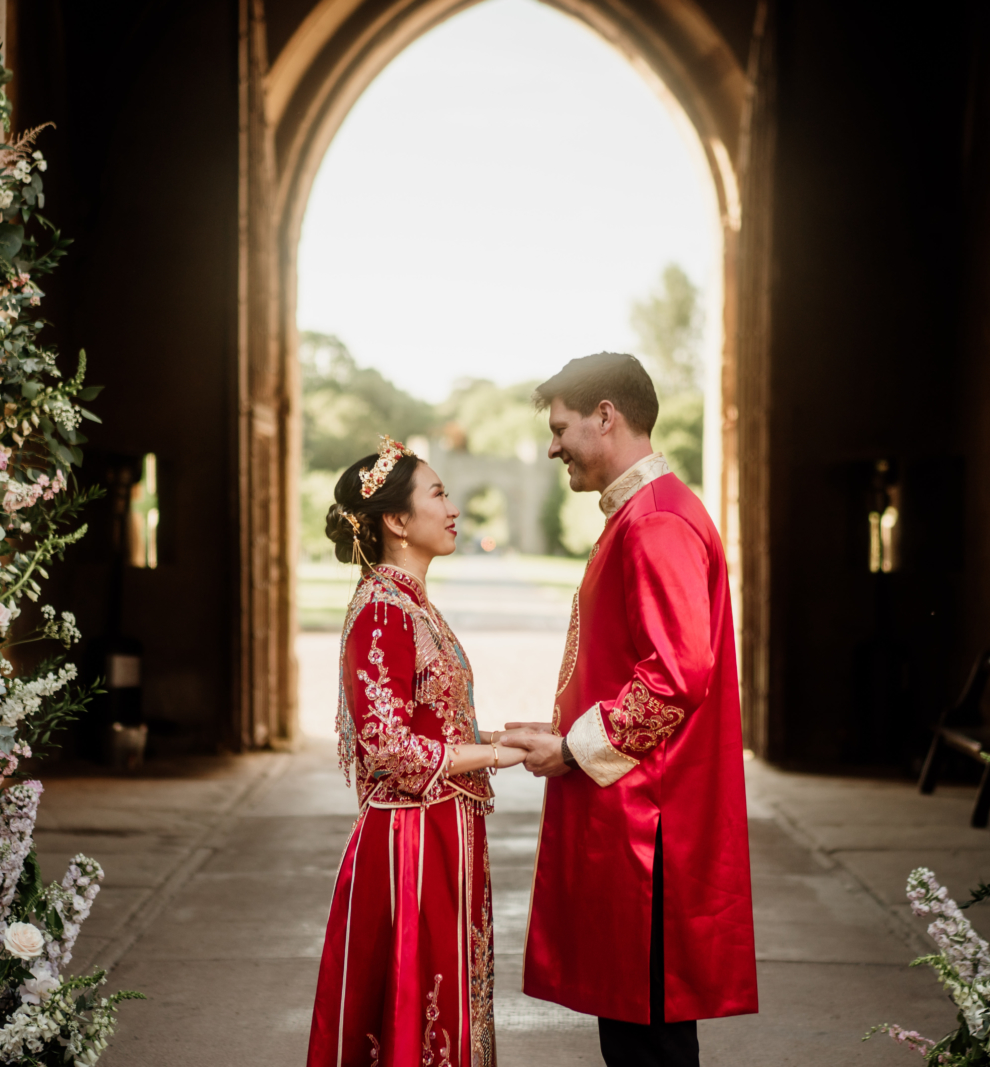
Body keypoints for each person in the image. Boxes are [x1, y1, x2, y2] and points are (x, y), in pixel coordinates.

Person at [500, 353, 757, 1067]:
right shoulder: (648, 511)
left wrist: (573, 749)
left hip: (652, 831)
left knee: (650, 1037)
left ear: (606, 416)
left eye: (561, 428)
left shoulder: (656, 521)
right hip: (642, 813)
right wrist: (561, 731)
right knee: (638, 1028)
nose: (552, 446)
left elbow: (676, 675)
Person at [306, 436, 526, 1067]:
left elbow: (436, 726)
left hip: (440, 836)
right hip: (410, 847)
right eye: (439, 494)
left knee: (453, 1003)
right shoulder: (383, 611)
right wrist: (491, 757)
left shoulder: (411, 605)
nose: (453, 508)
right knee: (419, 1018)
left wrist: (501, 739)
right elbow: (389, 752)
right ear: (396, 522)